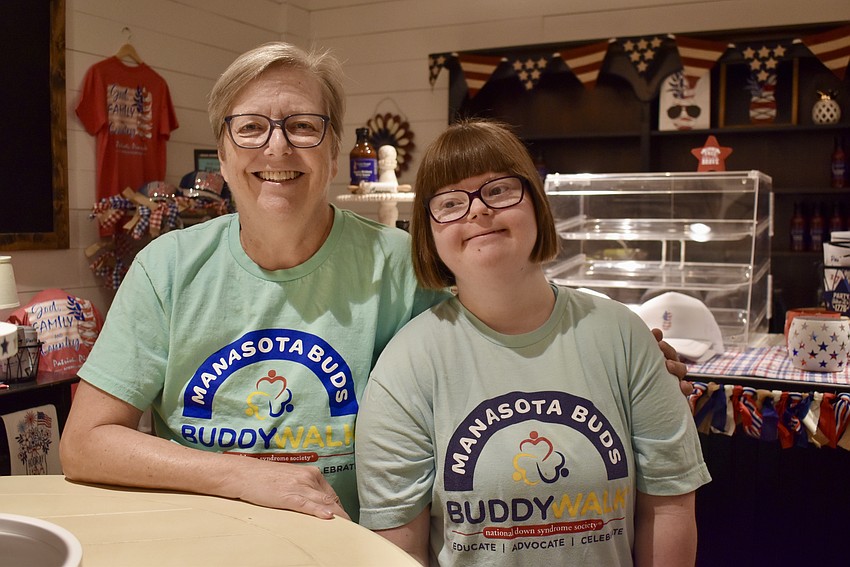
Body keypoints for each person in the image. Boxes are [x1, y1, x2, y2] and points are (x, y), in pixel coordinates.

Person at [60, 42, 688, 524]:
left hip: (356, 545)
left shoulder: (402, 266)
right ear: (222, 155)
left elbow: (514, 335)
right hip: (208, 542)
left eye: (303, 126)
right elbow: (86, 443)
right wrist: (243, 476)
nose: (277, 149)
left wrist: (624, 356)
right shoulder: (167, 267)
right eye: (250, 127)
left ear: (336, 151)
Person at [354, 119, 711, 566]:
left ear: (536, 204)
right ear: (428, 233)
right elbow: (396, 550)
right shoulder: (405, 366)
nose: (478, 211)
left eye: (499, 190)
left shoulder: (624, 337)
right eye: (449, 202)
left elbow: (669, 507)